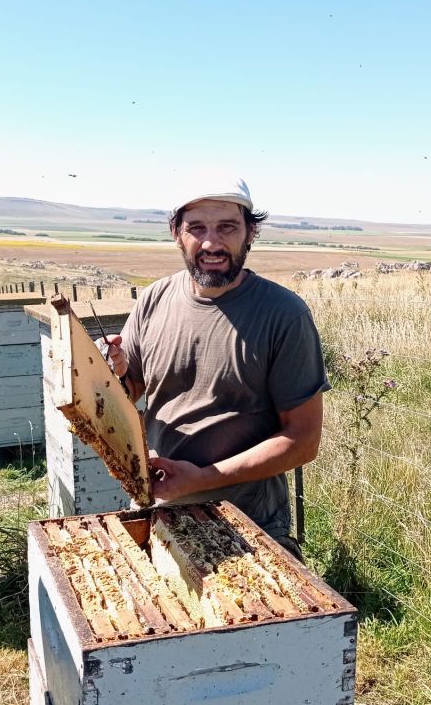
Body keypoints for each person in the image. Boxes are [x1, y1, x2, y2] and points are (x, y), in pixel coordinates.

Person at [105, 177, 330, 556]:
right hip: (157, 506)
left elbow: (304, 440)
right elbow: (130, 390)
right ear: (176, 232)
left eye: (227, 227)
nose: (211, 243)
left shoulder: (284, 315)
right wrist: (112, 370)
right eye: (197, 228)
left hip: (249, 522)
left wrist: (204, 479)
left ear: (251, 232)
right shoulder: (154, 298)